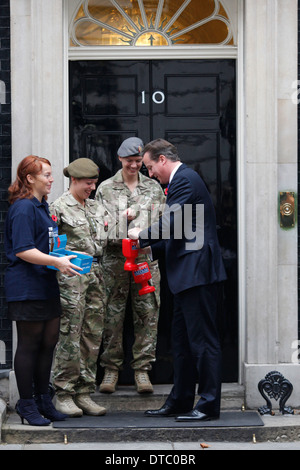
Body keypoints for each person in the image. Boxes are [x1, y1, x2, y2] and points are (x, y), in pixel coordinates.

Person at [128, 139, 227, 421]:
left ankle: (208, 405)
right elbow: (184, 230)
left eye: (148, 167)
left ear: (161, 159)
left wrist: (141, 235)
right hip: (187, 275)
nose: (149, 174)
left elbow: (171, 223)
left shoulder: (184, 180)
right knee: (182, 345)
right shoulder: (183, 181)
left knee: (204, 343)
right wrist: (150, 248)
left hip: (198, 275)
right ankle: (181, 400)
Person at [4, 155, 82, 426]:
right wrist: (56, 261)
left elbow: (47, 246)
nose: (51, 180)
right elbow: (23, 250)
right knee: (29, 345)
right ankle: (26, 404)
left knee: (48, 343)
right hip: (27, 286)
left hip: (46, 283)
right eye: (46, 175)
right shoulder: (24, 208)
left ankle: (42, 400)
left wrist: (68, 257)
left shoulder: (42, 207)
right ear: (30, 179)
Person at [95, 137, 165, 394]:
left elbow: (162, 226)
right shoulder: (105, 188)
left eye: (138, 161)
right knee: (112, 316)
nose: (134, 166)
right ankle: (111, 370)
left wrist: (146, 235)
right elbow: (99, 229)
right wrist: (123, 224)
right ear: (120, 160)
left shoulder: (154, 189)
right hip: (115, 261)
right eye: (129, 161)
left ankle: (142, 371)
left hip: (145, 260)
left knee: (147, 314)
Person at [50, 158, 110, 417]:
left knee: (92, 334)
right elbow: (53, 248)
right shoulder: (59, 208)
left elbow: (112, 234)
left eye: (94, 183)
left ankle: (84, 392)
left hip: (97, 273)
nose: (92, 188)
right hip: (71, 275)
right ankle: (63, 392)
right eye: (88, 183)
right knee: (70, 334)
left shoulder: (97, 207)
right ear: (73, 180)